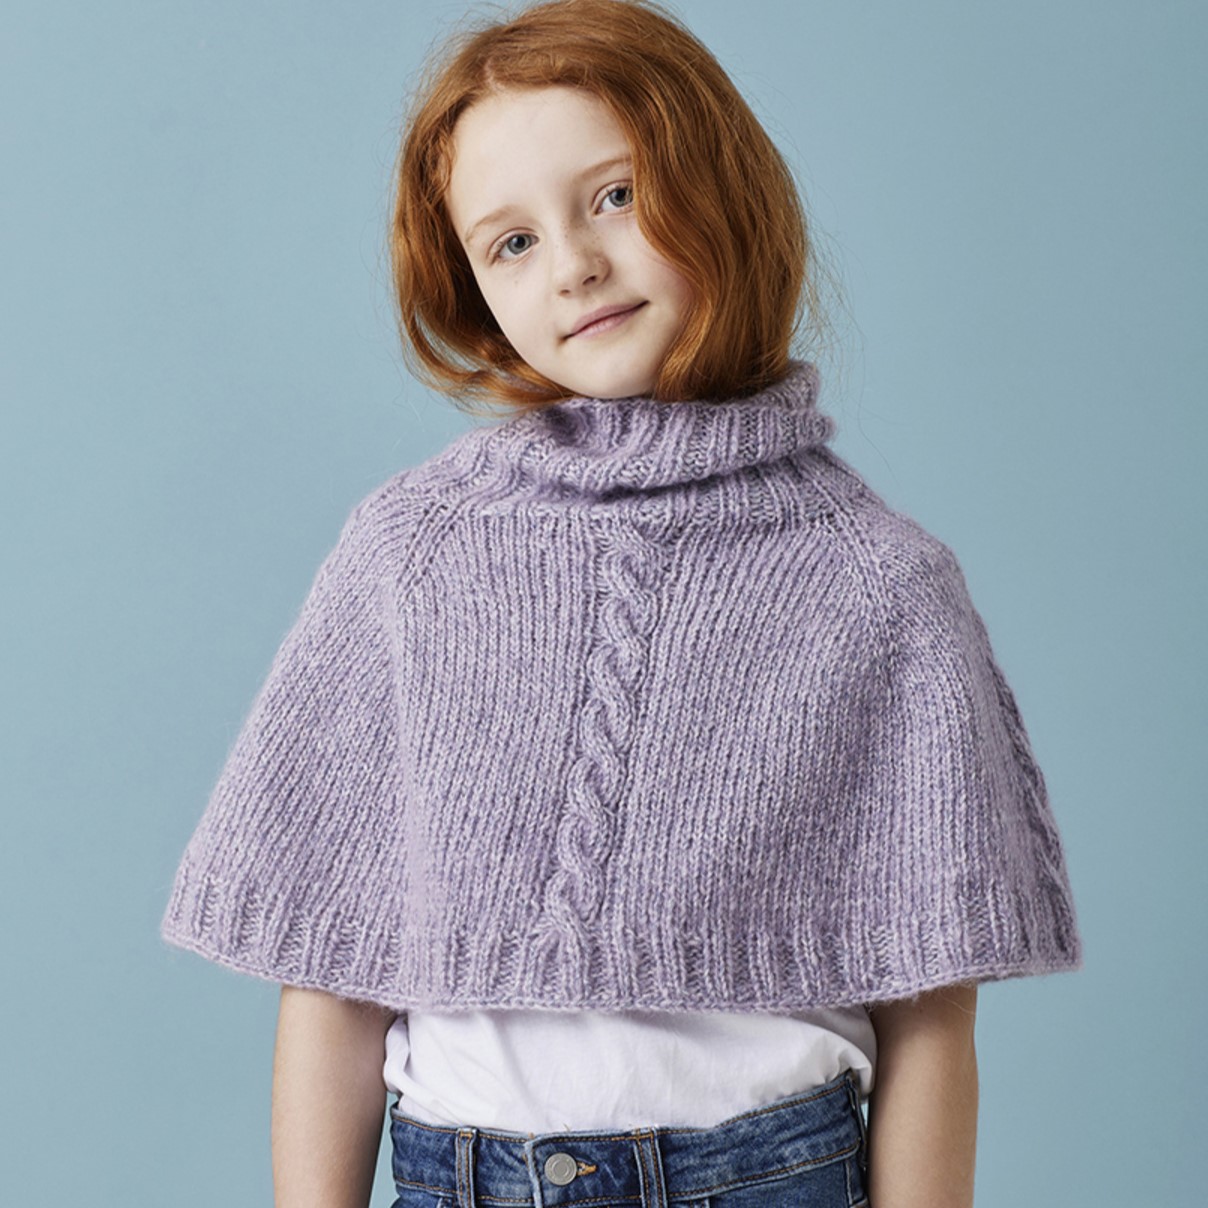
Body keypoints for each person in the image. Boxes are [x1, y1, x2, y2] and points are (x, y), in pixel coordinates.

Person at [159, 2, 1084, 1206]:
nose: (574, 264)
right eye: (510, 242)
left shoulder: (879, 584)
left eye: (612, 196)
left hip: (769, 1172)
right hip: (463, 1172)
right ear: (468, 286)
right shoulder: (410, 556)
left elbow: (930, 1016)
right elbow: (330, 973)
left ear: (720, 187)